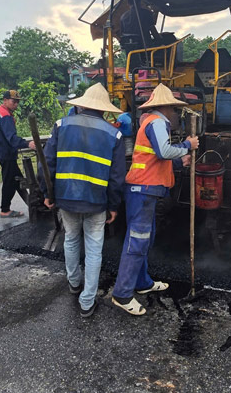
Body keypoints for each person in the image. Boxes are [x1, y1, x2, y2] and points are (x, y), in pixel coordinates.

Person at [111, 84, 198, 316]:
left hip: (145, 190)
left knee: (145, 240)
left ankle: (142, 282)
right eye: (174, 108)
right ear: (166, 107)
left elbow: (156, 158)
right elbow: (163, 152)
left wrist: (180, 161)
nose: (176, 113)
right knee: (137, 241)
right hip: (142, 190)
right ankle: (122, 293)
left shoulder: (150, 122)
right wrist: (188, 146)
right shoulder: (157, 122)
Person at [41, 84, 126, 318]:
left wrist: (47, 194)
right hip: (96, 202)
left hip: (66, 197)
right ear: (104, 110)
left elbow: (47, 164)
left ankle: (73, 283)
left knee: (70, 239)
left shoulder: (61, 126)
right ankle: (87, 302)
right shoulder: (114, 134)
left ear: (81, 104)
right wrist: (113, 206)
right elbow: (116, 177)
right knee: (94, 249)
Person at [0, 89, 35, 218]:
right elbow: (11, 137)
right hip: (6, 153)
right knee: (10, 182)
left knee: (17, 180)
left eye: (17, 102)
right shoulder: (5, 116)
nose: (15, 104)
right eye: (13, 101)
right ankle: (5, 210)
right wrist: (27, 144)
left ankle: (32, 206)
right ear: (5, 100)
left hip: (2, 151)